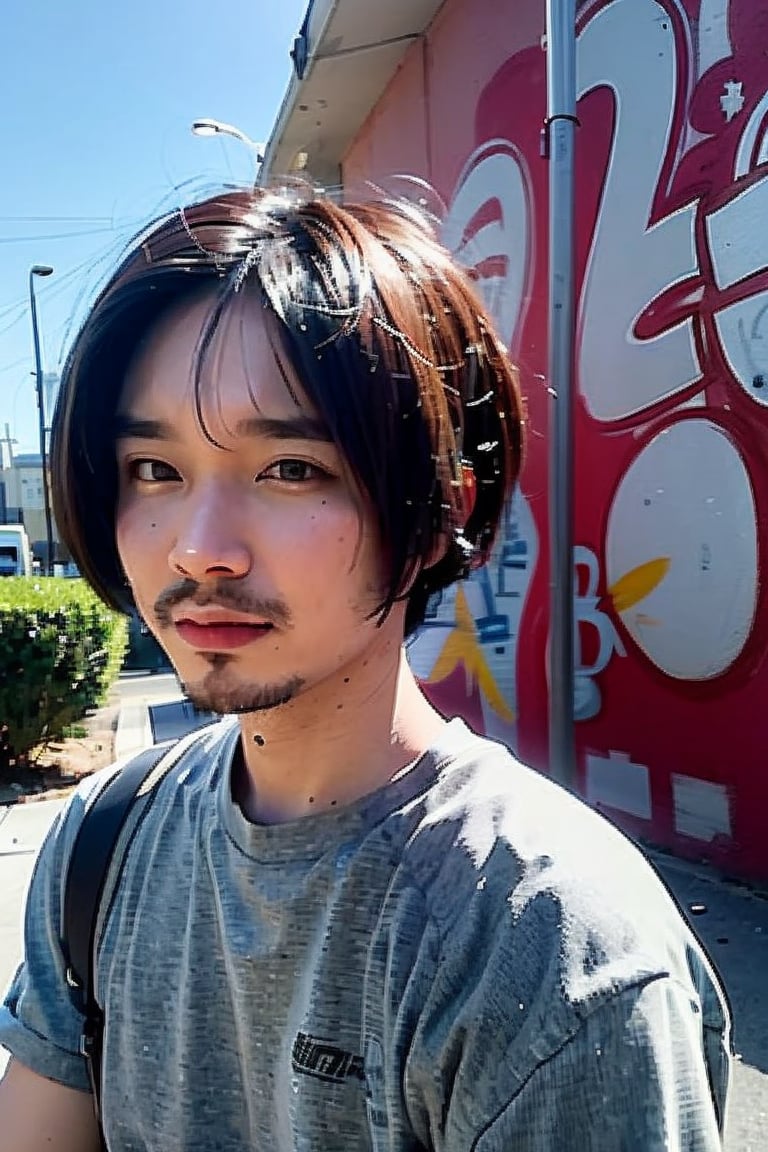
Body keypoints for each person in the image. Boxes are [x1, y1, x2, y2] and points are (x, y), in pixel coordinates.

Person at [0, 188, 730, 1151]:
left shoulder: (546, 950)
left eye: (290, 468)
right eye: (154, 469)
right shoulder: (104, 843)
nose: (199, 551)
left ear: (436, 515)